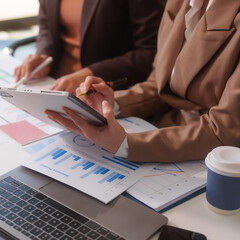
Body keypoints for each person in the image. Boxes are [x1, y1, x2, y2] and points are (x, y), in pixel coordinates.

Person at [45, 0, 240, 163]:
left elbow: (225, 132)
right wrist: (110, 104)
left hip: (214, 156)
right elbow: (159, 83)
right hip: (167, 131)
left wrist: (125, 144)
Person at [14, 0, 166, 93]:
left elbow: (150, 51)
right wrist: (44, 55)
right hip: (51, 84)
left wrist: (92, 73)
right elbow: (46, 26)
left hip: (106, 92)